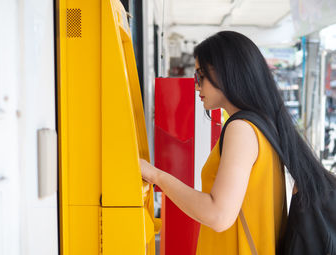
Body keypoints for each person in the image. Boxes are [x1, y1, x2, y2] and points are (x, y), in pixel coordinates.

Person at [140, 31, 336, 254]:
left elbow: (218, 215)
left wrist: (157, 176)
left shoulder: (241, 129)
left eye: (200, 76)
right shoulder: (264, 126)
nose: (196, 86)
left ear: (226, 73)